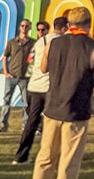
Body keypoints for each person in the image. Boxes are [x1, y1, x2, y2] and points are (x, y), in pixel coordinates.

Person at [25, 7, 94, 179]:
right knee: (69, 162)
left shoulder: (54, 43)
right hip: (76, 112)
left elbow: (43, 68)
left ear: (69, 23)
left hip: (52, 108)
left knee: (45, 157)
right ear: (89, 24)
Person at [12, 17, 68, 164]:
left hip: (35, 86)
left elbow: (31, 60)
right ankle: (50, 155)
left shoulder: (40, 42)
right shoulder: (63, 43)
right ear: (65, 28)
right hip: (50, 88)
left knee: (31, 121)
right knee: (53, 123)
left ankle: (21, 156)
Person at [0, 18, 34, 133]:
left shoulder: (33, 43)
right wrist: (5, 72)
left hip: (25, 77)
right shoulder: (12, 42)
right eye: (22, 26)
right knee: (6, 101)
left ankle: (25, 126)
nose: (24, 28)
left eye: (27, 26)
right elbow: (5, 56)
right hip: (12, 75)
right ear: (19, 28)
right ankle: (3, 125)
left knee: (26, 103)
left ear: (30, 28)